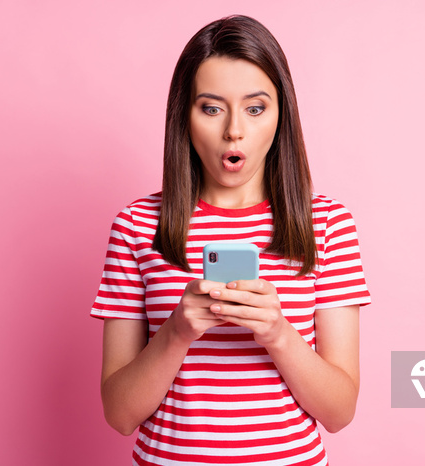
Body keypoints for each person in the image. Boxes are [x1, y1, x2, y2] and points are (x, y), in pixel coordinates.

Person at [90, 14, 371, 465]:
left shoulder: (328, 224)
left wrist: (278, 333)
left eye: (255, 108)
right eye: (212, 107)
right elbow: (120, 415)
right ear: (185, 114)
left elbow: (339, 412)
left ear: (281, 116)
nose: (234, 130)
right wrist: (178, 331)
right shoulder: (137, 226)